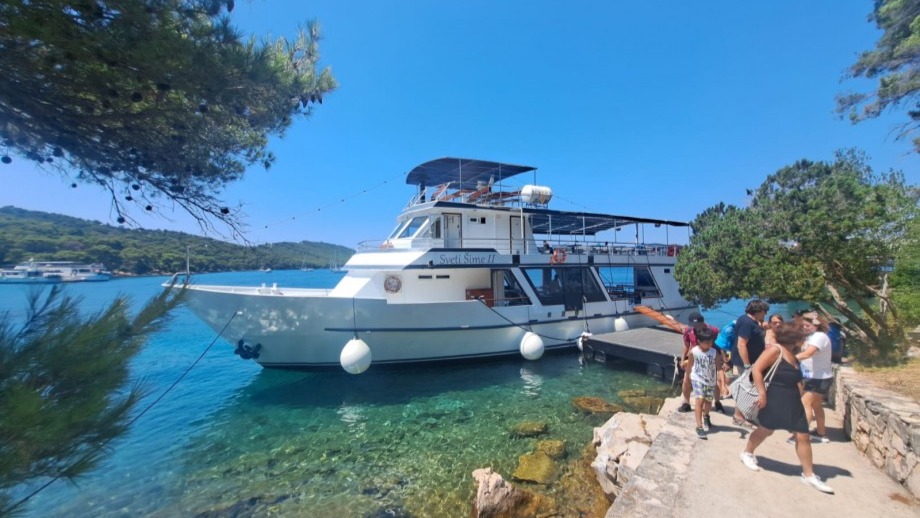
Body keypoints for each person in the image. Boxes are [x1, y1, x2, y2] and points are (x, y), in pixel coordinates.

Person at [739, 323, 834, 494]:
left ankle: (809, 474)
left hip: (792, 400)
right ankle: (747, 453)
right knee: (766, 429)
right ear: (794, 340)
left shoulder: (793, 355)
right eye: (802, 339)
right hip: (774, 396)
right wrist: (762, 394)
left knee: (803, 435)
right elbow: (757, 370)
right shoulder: (776, 351)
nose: (804, 342)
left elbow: (797, 379)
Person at [794, 312, 834, 443]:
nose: (805, 327)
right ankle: (821, 432)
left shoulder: (818, 337)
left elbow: (809, 353)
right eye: (803, 325)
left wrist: (790, 359)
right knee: (816, 405)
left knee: (805, 404)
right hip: (817, 376)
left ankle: (801, 436)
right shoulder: (814, 336)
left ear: (816, 325)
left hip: (817, 378)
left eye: (808, 325)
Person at [731, 300, 770, 426]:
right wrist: (747, 365)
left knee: (750, 387)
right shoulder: (747, 322)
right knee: (746, 388)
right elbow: (741, 344)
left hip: (754, 361)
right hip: (747, 362)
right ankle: (738, 416)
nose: (766, 314)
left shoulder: (752, 321)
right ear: (758, 311)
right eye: (765, 311)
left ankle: (745, 414)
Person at [678, 312, 722, 413]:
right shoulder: (688, 331)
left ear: (703, 322)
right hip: (694, 357)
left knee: (713, 381)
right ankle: (686, 403)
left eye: (698, 324)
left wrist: (721, 359)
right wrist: (683, 358)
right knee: (686, 380)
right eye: (693, 325)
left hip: (710, 357)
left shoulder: (713, 330)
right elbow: (686, 345)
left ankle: (718, 402)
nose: (695, 327)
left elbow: (719, 344)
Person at [686, 326, 718, 439]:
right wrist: (688, 376)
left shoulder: (714, 352)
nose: (709, 344)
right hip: (697, 378)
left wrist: (722, 384)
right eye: (706, 342)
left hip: (710, 380)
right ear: (699, 341)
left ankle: (706, 416)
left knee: (708, 401)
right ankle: (699, 427)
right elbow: (689, 365)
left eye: (711, 342)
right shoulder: (693, 352)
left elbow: (718, 368)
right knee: (699, 400)